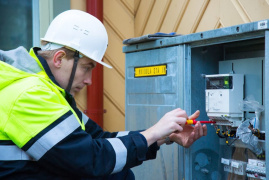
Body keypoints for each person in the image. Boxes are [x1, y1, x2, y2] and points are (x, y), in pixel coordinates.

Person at [0, 9, 207, 179]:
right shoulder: (28, 95)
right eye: (86, 67)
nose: (89, 80)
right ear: (59, 58)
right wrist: (152, 133)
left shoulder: (47, 91)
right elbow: (90, 159)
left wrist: (164, 135)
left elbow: (100, 139)